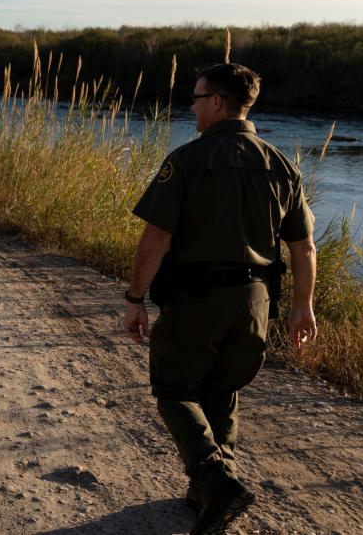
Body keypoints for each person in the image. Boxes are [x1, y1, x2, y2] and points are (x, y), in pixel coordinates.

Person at [122, 63, 317, 534]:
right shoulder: (281, 164)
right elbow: (304, 247)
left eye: (195, 97)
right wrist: (302, 306)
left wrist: (135, 297)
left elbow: (155, 241)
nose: (191, 105)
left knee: (173, 390)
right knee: (222, 389)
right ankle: (208, 496)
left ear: (217, 102)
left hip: (196, 297)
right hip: (255, 301)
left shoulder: (188, 161)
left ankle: (215, 481)